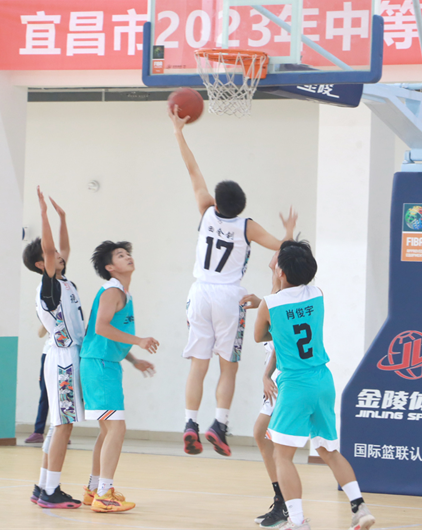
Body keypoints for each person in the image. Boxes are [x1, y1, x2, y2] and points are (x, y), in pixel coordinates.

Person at [169, 105, 297, 458]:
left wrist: (178, 132)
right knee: (229, 366)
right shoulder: (247, 226)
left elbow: (192, 169)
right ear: (241, 206)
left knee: (198, 364)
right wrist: (288, 230)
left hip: (199, 292)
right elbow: (282, 247)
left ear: (217, 200)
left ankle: (190, 423)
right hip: (229, 297)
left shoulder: (206, 211)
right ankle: (219, 425)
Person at [253, 240, 376, 530]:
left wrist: (274, 319)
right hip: (323, 380)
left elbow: (259, 336)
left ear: (281, 271)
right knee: (328, 450)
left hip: (295, 384)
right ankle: (359, 507)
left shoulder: (269, 303)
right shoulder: (317, 294)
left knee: (282, 455)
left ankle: (297, 521)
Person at [79, 241, 159, 513]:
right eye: (120, 255)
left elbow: (109, 334)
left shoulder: (123, 293)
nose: (128, 257)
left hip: (104, 364)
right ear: (110, 267)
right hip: (99, 366)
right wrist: (139, 341)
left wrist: (133, 360)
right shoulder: (112, 291)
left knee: (107, 431)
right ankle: (104, 494)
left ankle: (93, 489)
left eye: (128, 254)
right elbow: (101, 327)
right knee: (116, 429)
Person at [23, 186, 85, 509]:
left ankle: (42, 486)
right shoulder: (48, 288)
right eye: (51, 255)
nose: (59, 254)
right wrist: (44, 214)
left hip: (65, 356)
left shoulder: (63, 282)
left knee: (57, 426)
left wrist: (63, 218)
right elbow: (51, 250)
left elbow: (64, 248)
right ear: (41, 263)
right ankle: (51, 491)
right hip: (63, 359)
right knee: (63, 426)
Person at [241, 253, 288, 528]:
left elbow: (280, 342)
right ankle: (283, 501)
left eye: (278, 258)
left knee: (271, 438)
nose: (273, 260)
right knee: (263, 435)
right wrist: (260, 303)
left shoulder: (283, 296)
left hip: (282, 375)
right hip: (275, 374)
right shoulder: (276, 292)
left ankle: (286, 505)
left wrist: (267, 375)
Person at [25, 326, 52, 444]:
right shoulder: (49, 314)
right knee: (45, 394)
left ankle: (61, 430)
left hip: (66, 354)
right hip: (48, 353)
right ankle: (38, 431)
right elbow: (40, 334)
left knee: (63, 394)